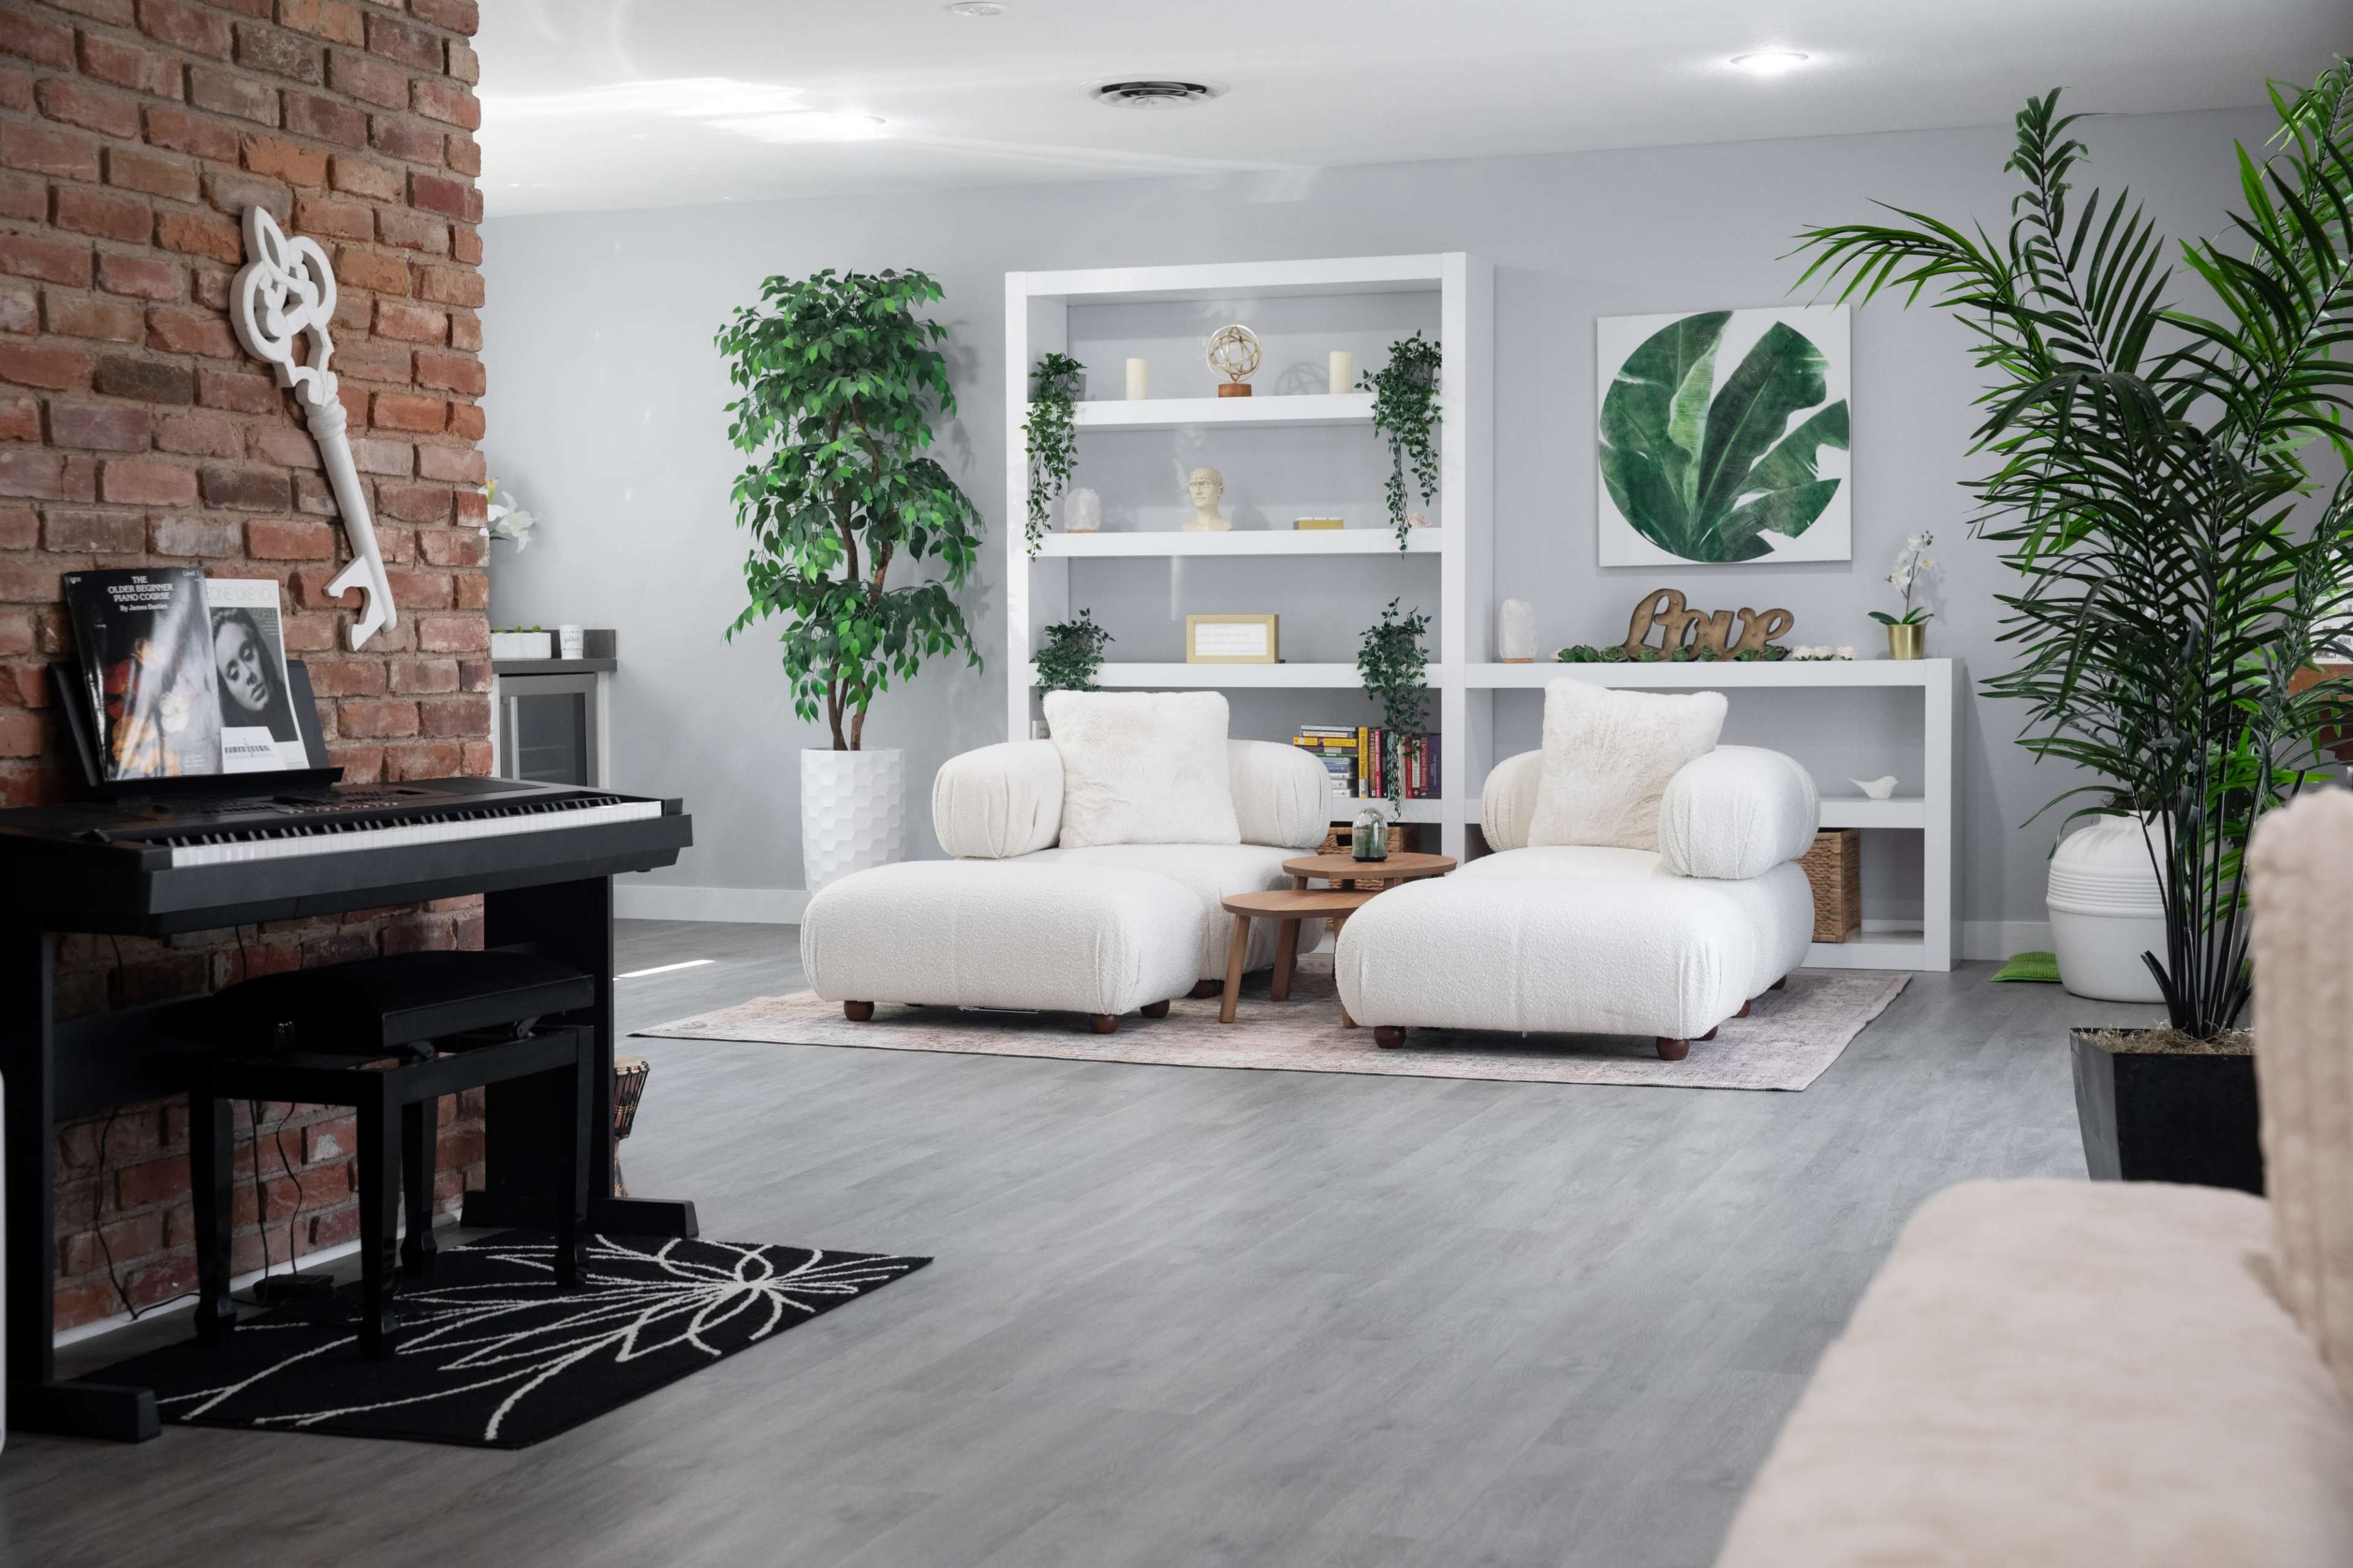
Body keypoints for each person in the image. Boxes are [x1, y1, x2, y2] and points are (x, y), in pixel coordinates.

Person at [211, 605, 297, 743]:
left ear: (260, 648)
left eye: (248, 655)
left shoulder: (296, 707)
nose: (248, 674)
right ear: (225, 688)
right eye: (234, 674)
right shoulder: (225, 738)